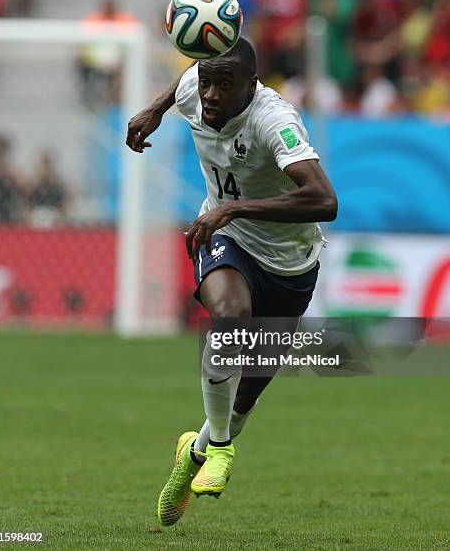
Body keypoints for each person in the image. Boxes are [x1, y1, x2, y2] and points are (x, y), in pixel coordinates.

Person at [126, 38, 337, 526]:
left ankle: (194, 452)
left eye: (226, 84)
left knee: (246, 396)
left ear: (252, 85)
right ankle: (219, 448)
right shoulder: (194, 91)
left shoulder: (273, 121)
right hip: (228, 239)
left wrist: (234, 206)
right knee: (229, 320)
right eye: (207, 82)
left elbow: (325, 200)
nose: (212, 95)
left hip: (291, 263)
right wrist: (152, 112)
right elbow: (180, 87)